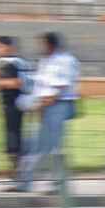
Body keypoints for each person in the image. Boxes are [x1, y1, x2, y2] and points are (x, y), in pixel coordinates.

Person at [13, 32, 80, 193]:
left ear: (50, 44)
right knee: (38, 144)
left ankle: (55, 185)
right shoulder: (46, 61)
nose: (40, 47)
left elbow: (60, 87)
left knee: (50, 146)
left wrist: (42, 104)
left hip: (58, 105)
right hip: (45, 106)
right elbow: (40, 85)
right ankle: (26, 182)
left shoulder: (65, 61)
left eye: (42, 44)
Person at [0, 36, 30, 180]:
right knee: (14, 135)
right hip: (16, 104)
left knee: (13, 136)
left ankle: (17, 173)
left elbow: (15, 83)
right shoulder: (17, 62)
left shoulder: (9, 63)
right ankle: (16, 171)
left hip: (13, 105)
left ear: (8, 47)